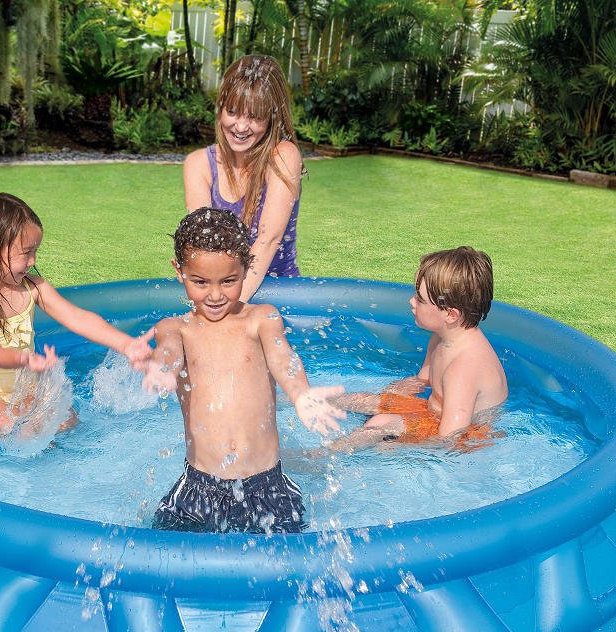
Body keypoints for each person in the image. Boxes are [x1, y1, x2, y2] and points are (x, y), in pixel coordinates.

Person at [142, 207, 344, 533]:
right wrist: (163, 369)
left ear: (246, 269)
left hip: (266, 484)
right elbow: (168, 351)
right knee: (164, 551)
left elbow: (282, 358)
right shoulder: (176, 328)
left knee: (289, 556)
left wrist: (301, 394)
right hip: (200, 485)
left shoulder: (261, 318)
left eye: (229, 281)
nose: (215, 294)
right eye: (200, 282)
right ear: (179, 271)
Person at [0, 192, 153, 436]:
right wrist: (24, 359)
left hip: (26, 388)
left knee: (66, 420)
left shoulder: (32, 287)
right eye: (26, 252)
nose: (32, 261)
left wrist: (126, 344)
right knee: (9, 429)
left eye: (35, 251)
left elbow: (78, 318)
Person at [321, 247, 508, 454]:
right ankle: (307, 399)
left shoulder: (463, 369)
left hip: (468, 436)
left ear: (450, 314)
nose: (411, 301)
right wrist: (391, 394)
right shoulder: (441, 337)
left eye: (420, 299)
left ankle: (323, 455)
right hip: (433, 414)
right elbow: (422, 380)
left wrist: (403, 448)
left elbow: (451, 437)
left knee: (379, 423)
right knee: (366, 401)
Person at [182, 54, 302, 302]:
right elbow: (203, 247)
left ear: (272, 118)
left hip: (280, 294)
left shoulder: (283, 156)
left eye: (255, 116)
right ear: (220, 108)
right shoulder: (199, 165)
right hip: (219, 297)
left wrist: (232, 307)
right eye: (233, 111)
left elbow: (268, 240)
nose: (240, 126)